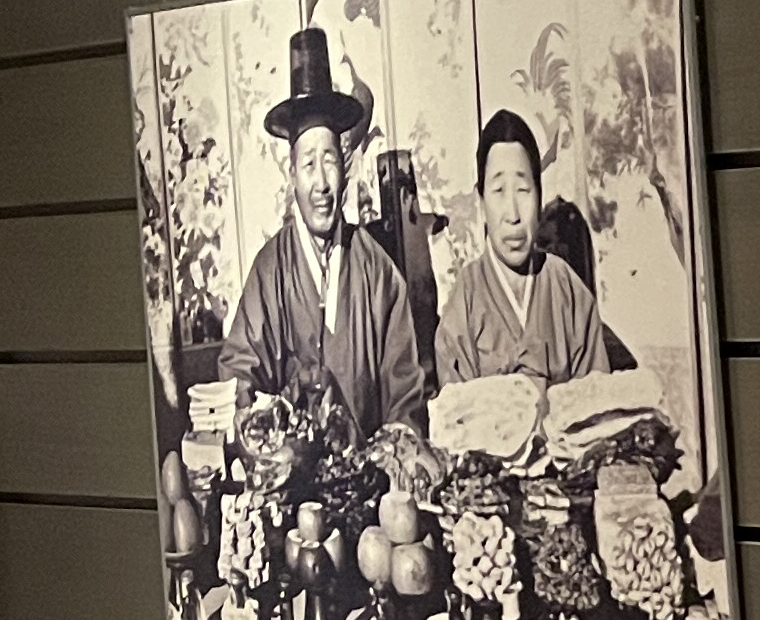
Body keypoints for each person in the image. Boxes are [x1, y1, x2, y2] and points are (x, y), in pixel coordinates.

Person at [221, 25, 427, 453]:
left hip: (369, 478)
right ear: (291, 175)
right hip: (289, 481)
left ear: (345, 168)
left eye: (329, 160)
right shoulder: (269, 272)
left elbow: (406, 398)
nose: (321, 183)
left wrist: (389, 455)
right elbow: (239, 374)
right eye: (308, 164)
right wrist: (262, 432)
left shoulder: (378, 273)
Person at [437, 109, 604, 387]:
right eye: (499, 191)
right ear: (481, 202)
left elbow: (597, 399)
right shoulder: (464, 302)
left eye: (523, 190)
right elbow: (456, 408)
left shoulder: (567, 291)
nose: (513, 215)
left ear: (539, 195)